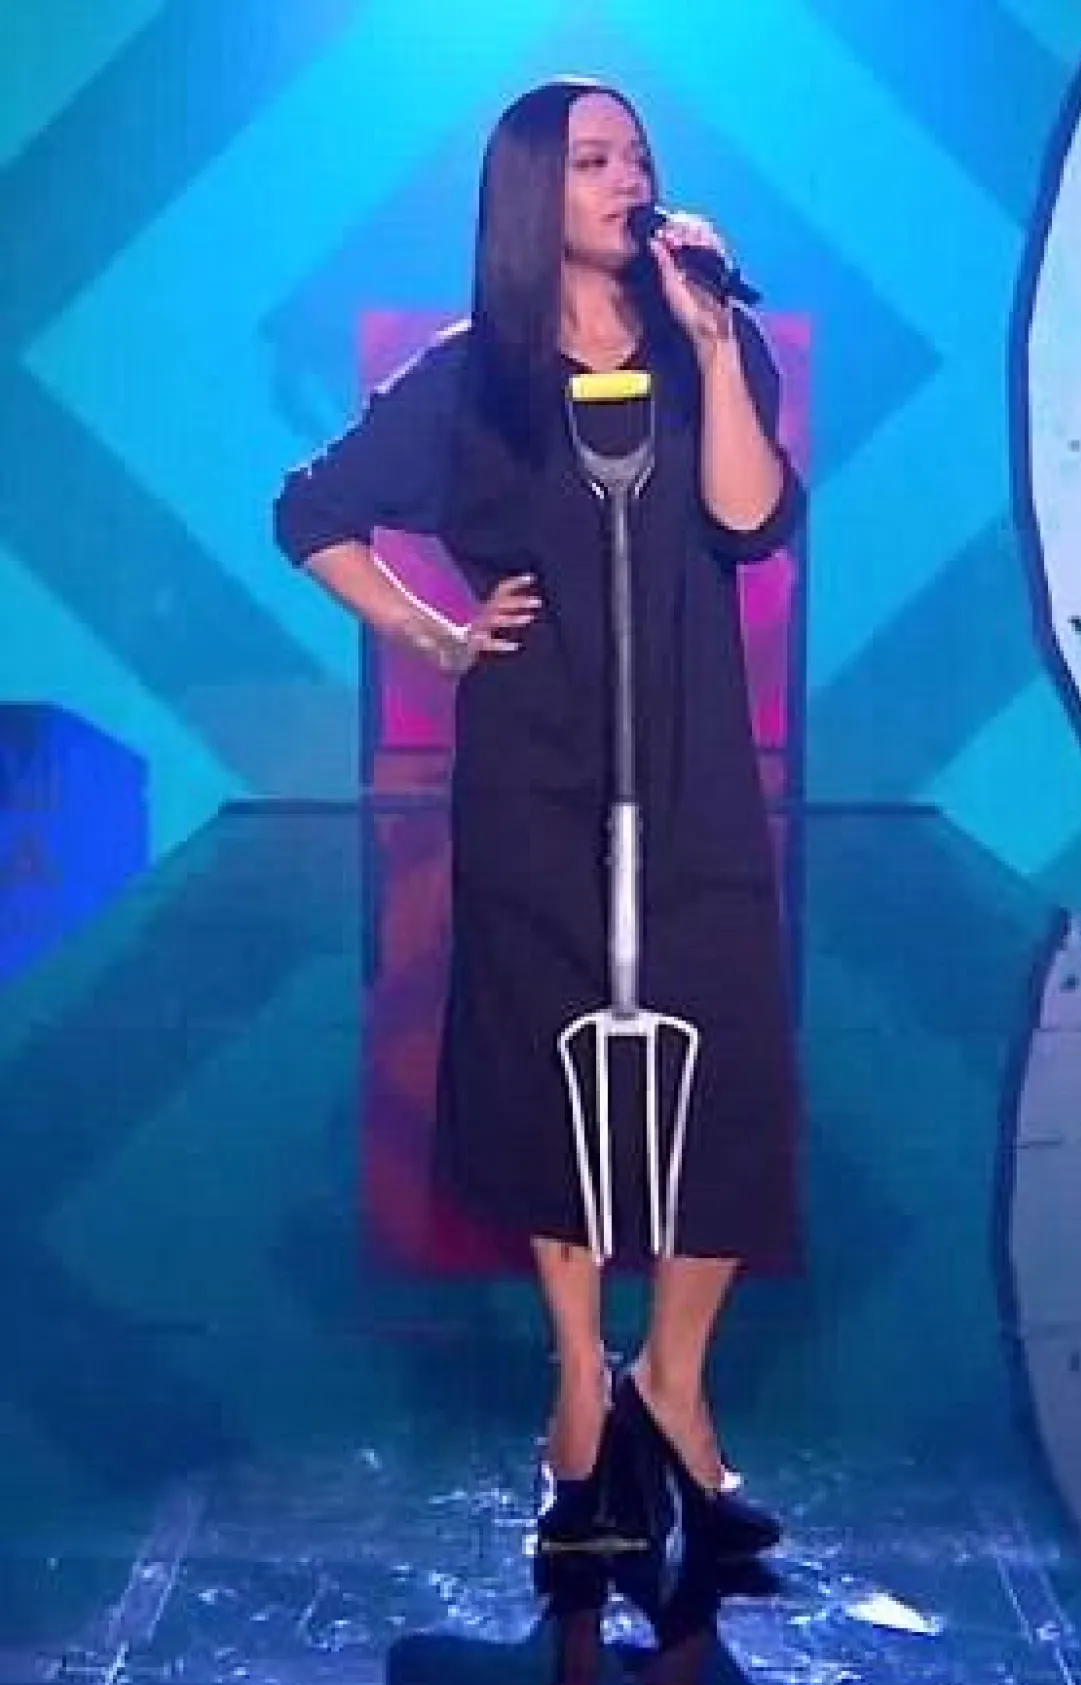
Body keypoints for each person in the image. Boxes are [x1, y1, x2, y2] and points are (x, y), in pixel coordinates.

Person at [274, 76, 803, 1562]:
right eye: (592, 161)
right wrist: (439, 637)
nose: (628, 180)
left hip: (695, 765)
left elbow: (751, 519)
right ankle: (580, 1380)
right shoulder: (471, 379)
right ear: (531, 191)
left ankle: (675, 1383)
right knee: (543, 1060)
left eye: (638, 157)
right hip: (533, 768)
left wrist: (713, 342)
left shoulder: (712, 346)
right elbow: (311, 511)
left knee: (726, 1062)